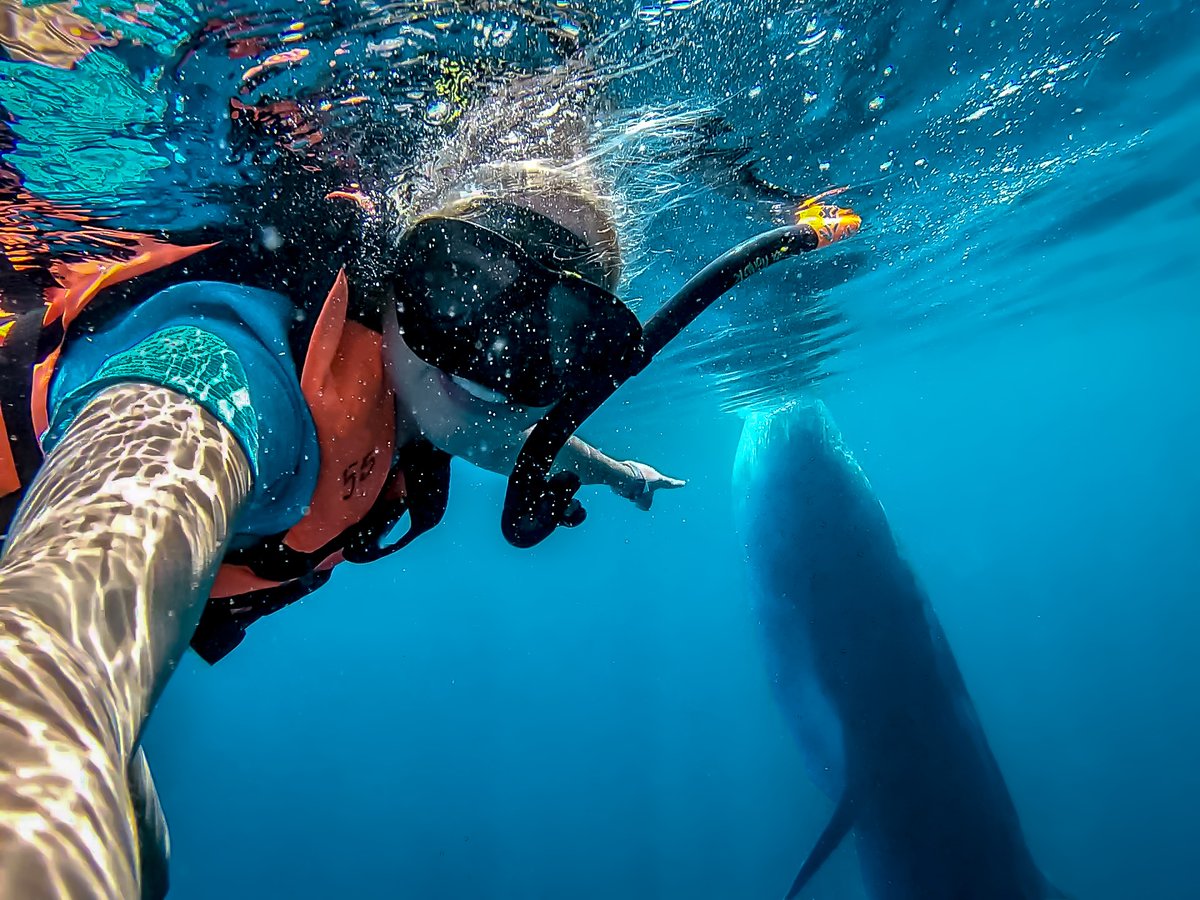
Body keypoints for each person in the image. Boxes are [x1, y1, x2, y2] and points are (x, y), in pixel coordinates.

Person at [0, 58, 858, 898]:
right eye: (463, 284)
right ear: (399, 264)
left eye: (551, 334)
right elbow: (53, 656)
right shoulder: (221, 379)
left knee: (144, 854)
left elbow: (496, 435)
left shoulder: (418, 384)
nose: (489, 354)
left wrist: (611, 471)